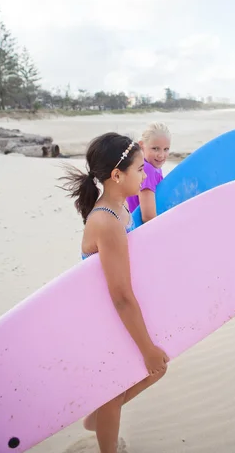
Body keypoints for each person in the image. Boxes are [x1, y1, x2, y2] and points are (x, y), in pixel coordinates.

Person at [60, 132, 169, 453]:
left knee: (147, 374)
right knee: (118, 384)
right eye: (139, 168)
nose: (146, 174)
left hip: (113, 312)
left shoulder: (119, 208)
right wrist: (146, 346)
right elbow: (120, 295)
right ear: (117, 175)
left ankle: (100, 417)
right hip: (106, 316)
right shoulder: (106, 221)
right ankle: (107, 442)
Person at [126, 122, 171, 223]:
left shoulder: (151, 167)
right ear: (142, 145)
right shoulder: (147, 169)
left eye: (166, 149)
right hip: (138, 230)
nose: (161, 155)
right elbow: (148, 217)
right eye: (155, 148)